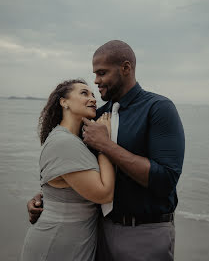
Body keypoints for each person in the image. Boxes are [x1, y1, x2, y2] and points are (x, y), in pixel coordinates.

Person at [27, 40, 185, 261]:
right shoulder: (96, 117)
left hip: (144, 232)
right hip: (97, 233)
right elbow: (71, 166)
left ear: (126, 68)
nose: (96, 81)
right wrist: (47, 198)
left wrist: (106, 145)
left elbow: (166, 178)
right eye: (94, 74)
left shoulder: (158, 109)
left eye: (102, 73)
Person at [21, 79, 115, 261]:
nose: (93, 99)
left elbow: (62, 187)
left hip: (74, 239)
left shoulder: (72, 140)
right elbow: (104, 194)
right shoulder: (64, 142)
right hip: (57, 242)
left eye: (93, 95)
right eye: (84, 93)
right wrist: (105, 143)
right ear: (64, 102)